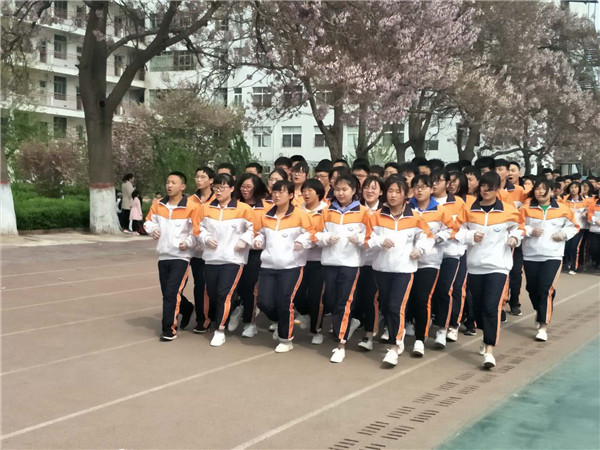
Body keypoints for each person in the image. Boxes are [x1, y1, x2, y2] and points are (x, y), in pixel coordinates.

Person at [454, 172, 525, 369]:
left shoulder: (508, 210)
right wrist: (470, 236)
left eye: (490, 187)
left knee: (491, 306)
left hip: (498, 266)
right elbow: (457, 231)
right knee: (478, 309)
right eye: (483, 186)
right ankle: (486, 335)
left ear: (497, 189)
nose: (486, 190)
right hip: (475, 266)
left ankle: (489, 350)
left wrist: (514, 238)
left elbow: (519, 228)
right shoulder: (469, 209)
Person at [366, 175, 434, 366]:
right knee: (387, 306)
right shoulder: (376, 216)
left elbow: (427, 237)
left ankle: (394, 347)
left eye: (398, 191)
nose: (393, 195)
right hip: (382, 268)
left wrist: (419, 250)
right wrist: (380, 241)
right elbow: (367, 240)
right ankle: (398, 332)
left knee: (396, 306)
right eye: (390, 191)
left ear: (406, 194)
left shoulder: (415, 217)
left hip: (404, 270)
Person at [315, 174, 370, 363]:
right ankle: (344, 326)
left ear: (354, 191)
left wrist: (360, 239)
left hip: (350, 264)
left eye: (345, 189)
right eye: (337, 189)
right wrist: (325, 238)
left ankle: (341, 343)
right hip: (330, 262)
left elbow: (370, 236)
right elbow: (316, 234)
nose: (340, 193)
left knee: (343, 303)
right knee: (330, 300)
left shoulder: (363, 212)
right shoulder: (326, 211)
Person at [253, 180, 313, 353]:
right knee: (263, 301)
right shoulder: (266, 216)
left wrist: (302, 242)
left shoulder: (300, 215)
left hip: (291, 266)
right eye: (275, 192)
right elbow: (260, 234)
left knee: (285, 301)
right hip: (268, 265)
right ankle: (280, 320)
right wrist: (258, 240)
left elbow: (311, 234)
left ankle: (285, 339)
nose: (277, 195)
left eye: (281, 192)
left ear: (291, 195)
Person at [144, 171, 202, 341]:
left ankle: (169, 329)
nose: (169, 185)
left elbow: (196, 231)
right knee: (168, 292)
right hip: (163, 255)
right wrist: (153, 229)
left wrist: (188, 242)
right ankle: (187, 308)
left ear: (182, 186)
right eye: (168, 182)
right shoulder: (158, 205)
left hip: (181, 257)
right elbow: (148, 222)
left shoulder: (192, 207)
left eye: (173, 182)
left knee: (172, 292)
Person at [519, 179, 579, 342]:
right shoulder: (525, 209)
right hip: (531, 254)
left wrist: (563, 234)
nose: (540, 192)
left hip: (552, 255)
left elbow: (574, 227)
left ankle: (543, 326)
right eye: (537, 188)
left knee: (545, 289)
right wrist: (530, 230)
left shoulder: (563, 209)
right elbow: (517, 226)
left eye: (544, 189)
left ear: (552, 192)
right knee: (532, 288)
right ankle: (541, 310)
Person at [199, 173, 255, 347]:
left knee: (224, 294)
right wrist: (206, 238)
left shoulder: (243, 209)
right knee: (214, 294)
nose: (218, 191)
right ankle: (233, 307)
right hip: (211, 258)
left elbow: (253, 228)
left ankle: (220, 330)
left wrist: (244, 240)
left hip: (233, 259)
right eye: (216, 187)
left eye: (222, 187)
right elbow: (199, 228)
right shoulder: (206, 208)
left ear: (231, 189)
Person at [407, 174, 453, 355]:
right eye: (416, 186)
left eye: (423, 187)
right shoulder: (406, 208)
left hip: (429, 262)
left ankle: (420, 338)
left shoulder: (440, 210)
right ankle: (401, 331)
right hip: (406, 261)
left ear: (431, 189)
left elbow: (451, 229)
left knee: (422, 299)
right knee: (406, 299)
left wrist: (436, 238)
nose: (419, 190)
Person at [230, 173, 269, 338]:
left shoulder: (266, 207)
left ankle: (249, 323)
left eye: (249, 187)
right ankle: (237, 308)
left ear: (257, 188)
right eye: (242, 187)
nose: (245, 190)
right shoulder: (234, 205)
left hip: (254, 253)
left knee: (250, 287)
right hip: (235, 251)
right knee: (234, 286)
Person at [296, 178, 329, 344]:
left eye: (310, 190)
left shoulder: (326, 211)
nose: (306, 193)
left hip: (318, 261)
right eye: (304, 190)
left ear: (319, 193)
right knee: (298, 294)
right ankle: (304, 314)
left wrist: (314, 238)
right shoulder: (297, 211)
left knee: (316, 297)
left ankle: (317, 330)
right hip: (299, 259)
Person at [355, 175, 385, 351]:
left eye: (374, 188)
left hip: (375, 262)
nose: (369, 191)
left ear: (381, 192)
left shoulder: (385, 212)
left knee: (370, 298)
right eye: (366, 187)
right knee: (355, 298)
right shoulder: (355, 210)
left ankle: (369, 335)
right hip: (356, 261)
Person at [188, 166, 215, 333]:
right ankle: (202, 319)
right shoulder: (190, 200)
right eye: (197, 177)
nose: (199, 180)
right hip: (197, 251)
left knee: (214, 286)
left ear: (211, 180)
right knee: (200, 285)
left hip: (215, 250)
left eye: (203, 177)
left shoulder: (218, 199)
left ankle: (216, 315)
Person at [560, 182, 587, 274]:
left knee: (574, 246)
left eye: (576, 187)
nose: (573, 189)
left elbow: (589, 211)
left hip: (580, 227)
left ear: (579, 189)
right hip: (567, 227)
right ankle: (567, 263)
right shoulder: (564, 200)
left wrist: (586, 213)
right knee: (567, 246)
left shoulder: (585, 201)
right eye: (572, 187)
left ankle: (573, 267)